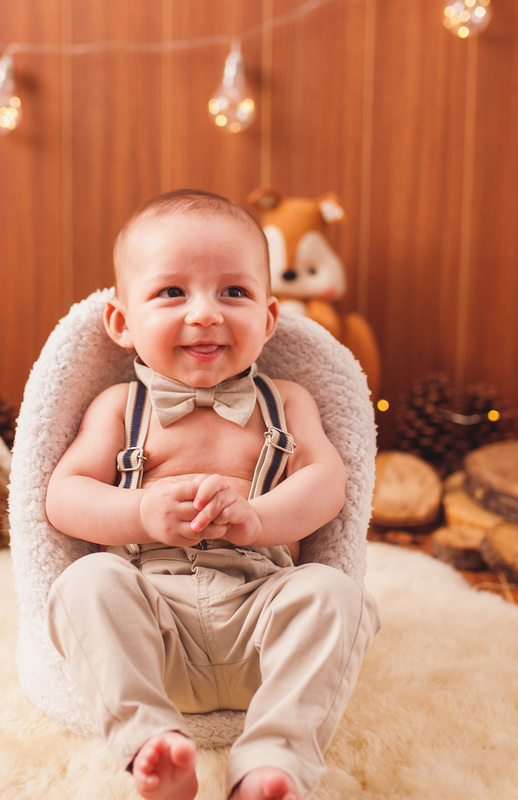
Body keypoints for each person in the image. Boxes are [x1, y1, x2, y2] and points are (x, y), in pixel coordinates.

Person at [44, 189, 380, 800]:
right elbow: (64, 497)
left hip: (261, 612)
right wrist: (141, 510)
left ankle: (272, 761)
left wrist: (258, 517)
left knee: (336, 594)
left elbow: (329, 482)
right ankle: (152, 744)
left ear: (270, 318)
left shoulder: (287, 402)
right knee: (84, 585)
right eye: (172, 292)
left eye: (235, 292)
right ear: (122, 322)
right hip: (155, 620)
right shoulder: (121, 408)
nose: (205, 313)